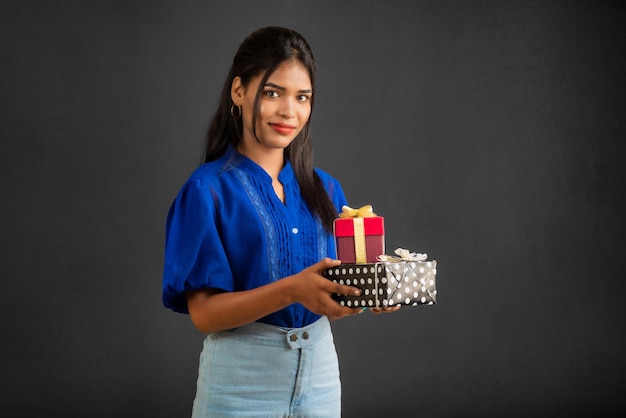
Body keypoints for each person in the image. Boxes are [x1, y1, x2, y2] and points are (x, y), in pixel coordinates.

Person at [162, 26, 398, 417]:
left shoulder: (326, 188)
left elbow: (340, 279)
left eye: (302, 97)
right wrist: (294, 290)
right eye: (273, 93)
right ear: (239, 91)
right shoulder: (206, 190)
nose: (290, 112)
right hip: (242, 379)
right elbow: (204, 315)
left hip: (321, 372)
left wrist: (374, 294)